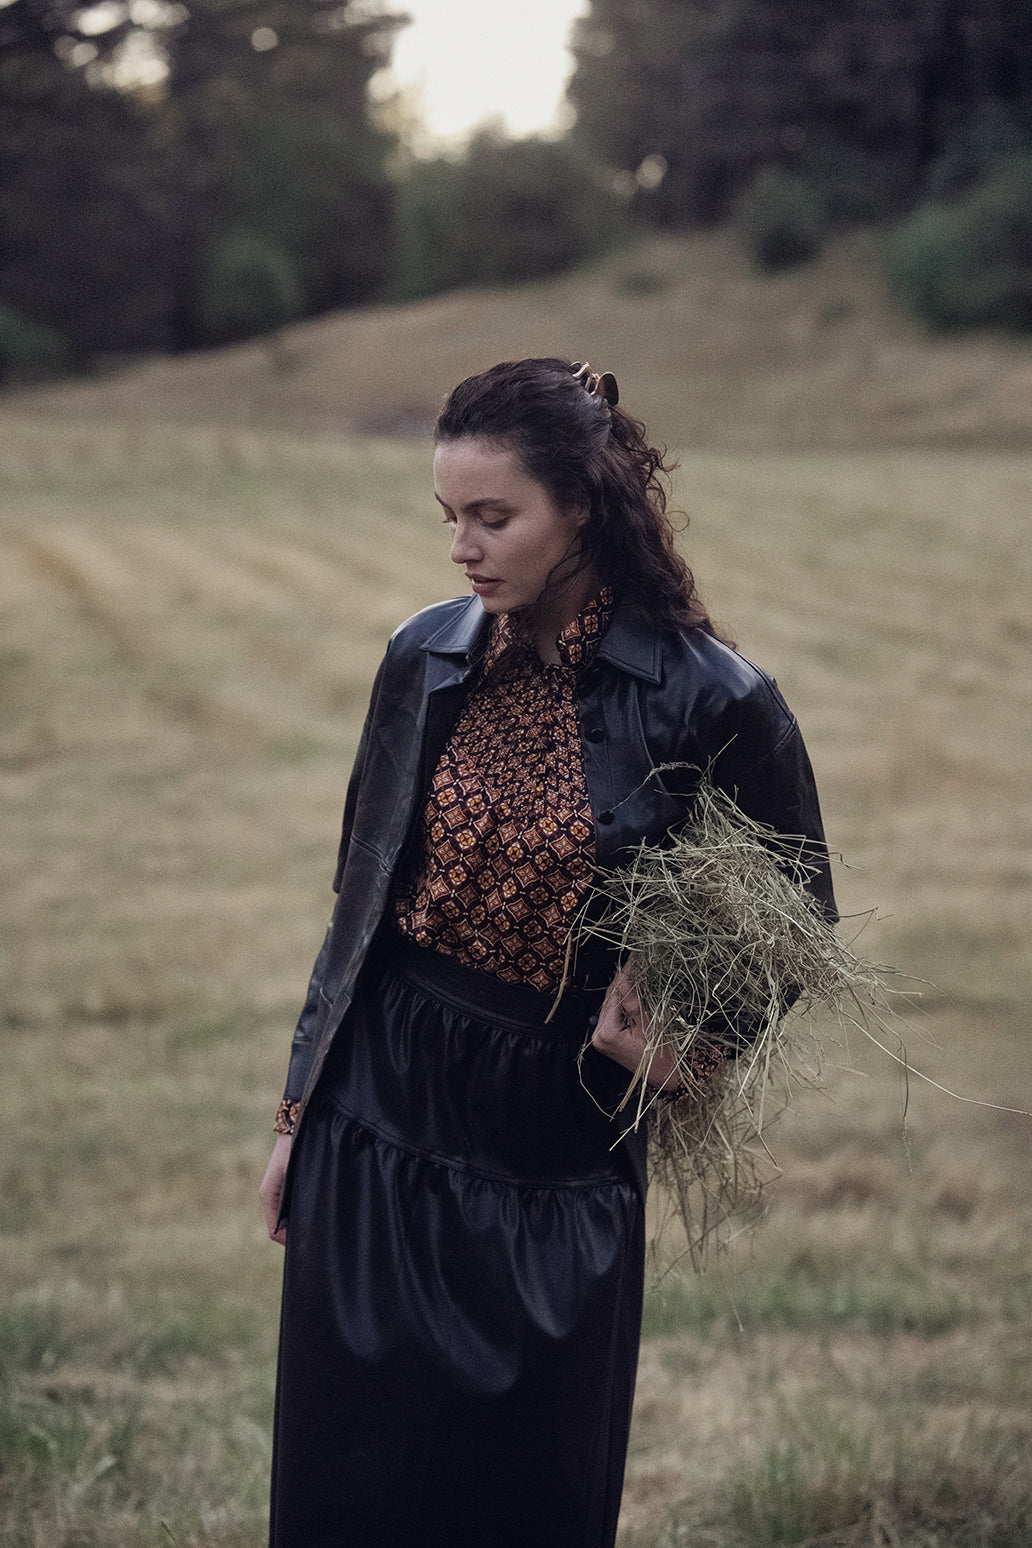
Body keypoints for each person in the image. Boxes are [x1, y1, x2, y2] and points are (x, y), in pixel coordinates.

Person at [259, 357, 836, 1548]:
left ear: (582, 504)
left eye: (492, 516)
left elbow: (800, 922)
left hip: (554, 1124)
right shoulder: (425, 654)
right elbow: (359, 900)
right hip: (381, 1104)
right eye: (448, 517)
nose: (461, 549)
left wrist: (687, 1048)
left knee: (527, 1494)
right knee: (346, 1483)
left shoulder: (713, 699)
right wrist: (296, 1118)